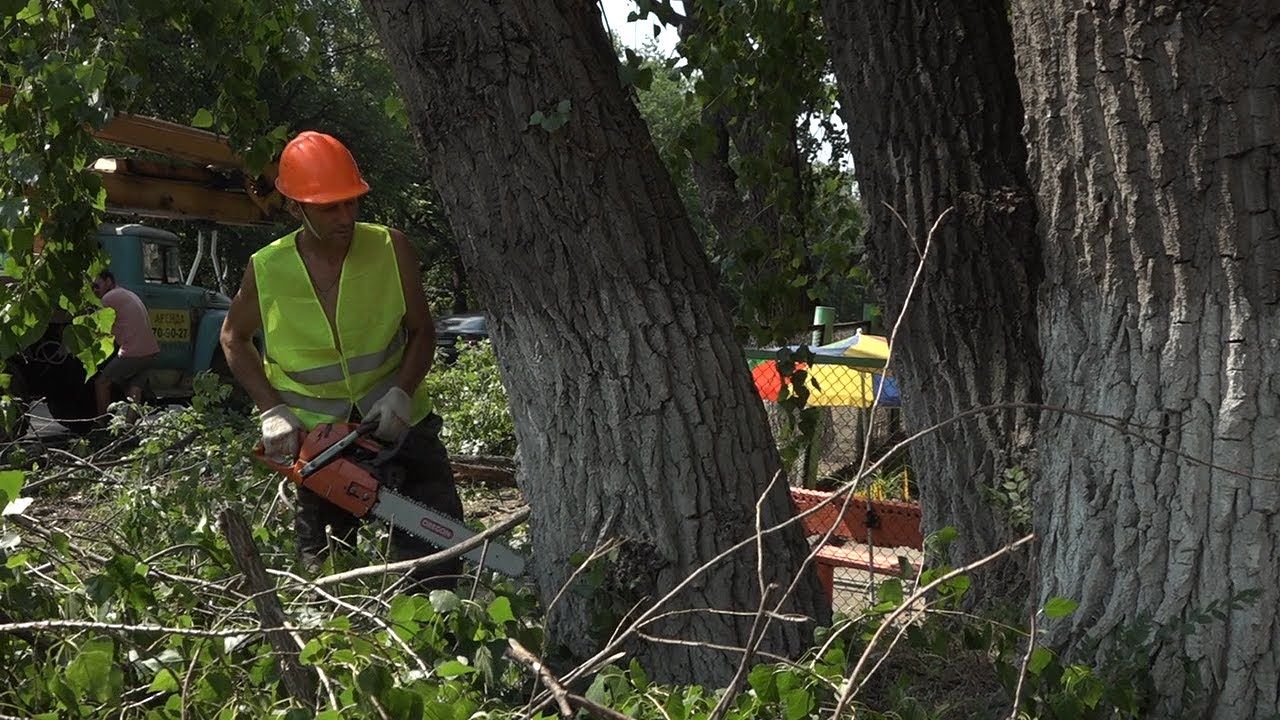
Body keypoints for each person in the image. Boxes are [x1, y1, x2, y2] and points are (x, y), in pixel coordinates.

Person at [219, 130, 464, 588]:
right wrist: (272, 411)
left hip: (397, 425)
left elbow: (422, 331)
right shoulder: (267, 268)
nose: (345, 216)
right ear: (296, 208)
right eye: (329, 207)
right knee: (326, 575)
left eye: (350, 203)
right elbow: (234, 338)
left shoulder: (391, 248)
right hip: (321, 443)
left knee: (439, 561)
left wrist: (401, 394)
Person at [91, 270, 161, 422]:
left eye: (97, 285)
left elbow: (96, 326)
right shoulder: (126, 294)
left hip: (132, 352)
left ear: (108, 281)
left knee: (101, 382)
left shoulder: (109, 298)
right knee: (135, 386)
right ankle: (129, 428)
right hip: (150, 351)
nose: (95, 291)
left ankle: (102, 424)